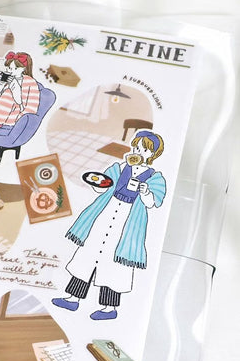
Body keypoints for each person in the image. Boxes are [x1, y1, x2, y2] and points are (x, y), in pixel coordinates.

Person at [52, 131, 167, 320]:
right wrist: (97, 183)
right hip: (107, 211)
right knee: (89, 252)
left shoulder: (154, 178)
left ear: (153, 154)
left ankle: (109, 308)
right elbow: (103, 186)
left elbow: (152, 203)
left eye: (144, 149)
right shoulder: (120, 167)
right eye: (136, 147)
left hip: (128, 220)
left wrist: (145, 192)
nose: (138, 151)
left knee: (115, 264)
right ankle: (73, 298)